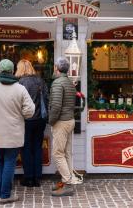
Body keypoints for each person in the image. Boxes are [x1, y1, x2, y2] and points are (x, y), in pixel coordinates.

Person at [0, 59, 35, 204]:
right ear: (12, 71)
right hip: (14, 134)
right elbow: (30, 111)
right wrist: (20, 113)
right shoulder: (20, 89)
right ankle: (5, 195)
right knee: (9, 162)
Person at [49, 57, 82, 197]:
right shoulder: (69, 82)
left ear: (57, 67)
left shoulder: (57, 83)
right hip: (70, 120)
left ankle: (67, 183)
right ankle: (67, 180)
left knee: (57, 153)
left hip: (61, 122)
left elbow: (56, 106)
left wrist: (51, 120)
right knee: (66, 153)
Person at [16, 60, 49, 187]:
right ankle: (37, 177)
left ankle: (28, 177)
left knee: (26, 148)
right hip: (40, 119)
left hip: (26, 120)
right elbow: (46, 98)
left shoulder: (20, 82)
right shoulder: (40, 80)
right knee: (37, 147)